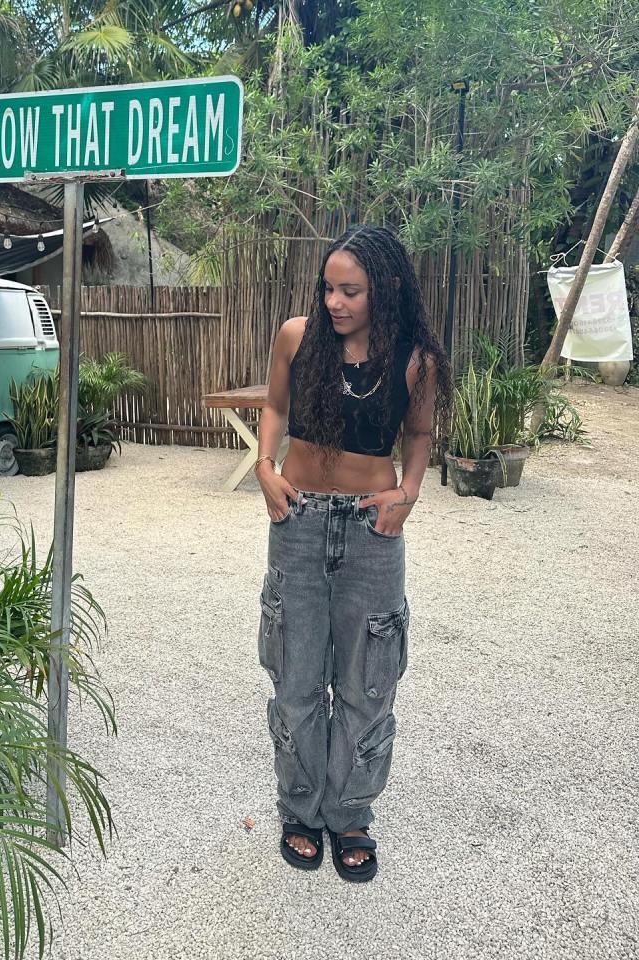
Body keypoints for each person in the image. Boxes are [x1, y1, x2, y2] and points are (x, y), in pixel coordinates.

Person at [254, 223, 451, 881]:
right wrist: (263, 464)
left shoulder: (413, 358)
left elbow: (419, 432)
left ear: (384, 290)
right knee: (298, 676)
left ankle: (350, 814)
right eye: (329, 288)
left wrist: (411, 491)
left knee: (369, 680)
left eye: (351, 291)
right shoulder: (296, 336)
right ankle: (301, 808)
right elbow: (275, 409)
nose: (335, 302)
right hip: (300, 520)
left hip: (374, 532)